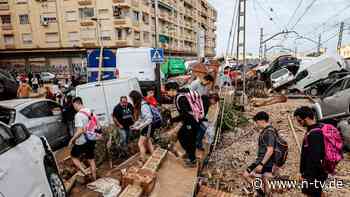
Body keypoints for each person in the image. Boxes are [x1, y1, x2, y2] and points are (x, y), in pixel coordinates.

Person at [165, 82, 205, 168]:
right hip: (191, 121)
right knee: (181, 135)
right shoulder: (180, 96)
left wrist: (172, 120)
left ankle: (192, 160)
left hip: (192, 122)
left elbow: (185, 114)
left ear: (172, 90)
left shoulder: (180, 99)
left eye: (167, 91)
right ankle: (189, 153)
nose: (167, 93)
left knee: (189, 140)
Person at [294, 106, 327, 197]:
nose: (299, 123)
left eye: (300, 120)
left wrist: (306, 175)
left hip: (314, 174)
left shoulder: (314, 134)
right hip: (316, 173)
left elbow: (314, 158)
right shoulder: (316, 128)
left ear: (307, 118)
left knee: (312, 194)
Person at [243, 111, 276, 197]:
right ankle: (265, 194)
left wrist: (261, 164)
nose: (257, 124)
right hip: (264, 160)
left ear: (262, 121)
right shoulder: (268, 130)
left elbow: (270, 150)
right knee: (264, 180)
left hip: (263, 161)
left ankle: (261, 193)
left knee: (246, 174)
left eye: (257, 122)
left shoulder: (269, 132)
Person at [69, 97, 99, 181]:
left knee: (73, 156)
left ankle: (86, 173)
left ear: (77, 104)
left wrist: (72, 140)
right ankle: (94, 178)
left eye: (74, 106)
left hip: (82, 141)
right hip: (92, 139)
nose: (74, 108)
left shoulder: (78, 115)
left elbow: (79, 131)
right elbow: (98, 125)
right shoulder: (91, 111)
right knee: (91, 159)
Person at [129, 91, 154, 162]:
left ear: (135, 98)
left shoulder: (143, 105)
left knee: (140, 144)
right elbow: (141, 118)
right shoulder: (141, 104)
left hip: (147, 126)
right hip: (145, 126)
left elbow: (149, 119)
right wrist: (134, 125)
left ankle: (143, 160)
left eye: (131, 98)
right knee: (148, 142)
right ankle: (154, 157)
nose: (131, 100)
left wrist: (138, 127)